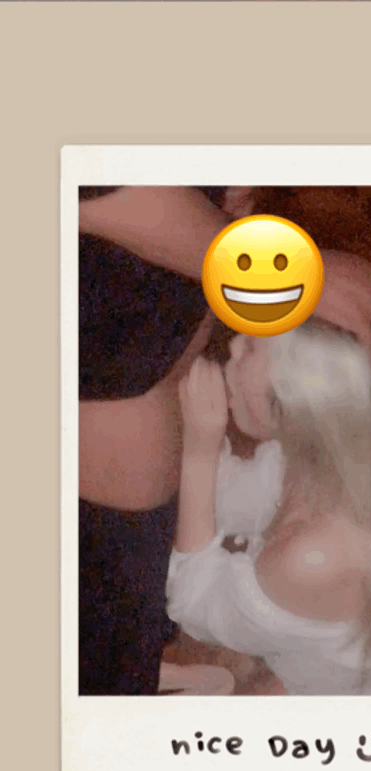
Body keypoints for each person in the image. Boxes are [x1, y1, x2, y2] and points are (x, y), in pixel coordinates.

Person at [166, 253, 371, 695]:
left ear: (301, 403)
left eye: (251, 347)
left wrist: (201, 452)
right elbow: (243, 496)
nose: (232, 346)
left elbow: (193, 605)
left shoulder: (315, 554)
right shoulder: (335, 461)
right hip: (332, 647)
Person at [78, 185, 256, 695]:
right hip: (110, 485)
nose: (235, 349)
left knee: (122, 624)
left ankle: (130, 663)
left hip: (133, 481)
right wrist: (295, 275)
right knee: (106, 627)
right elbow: (94, 189)